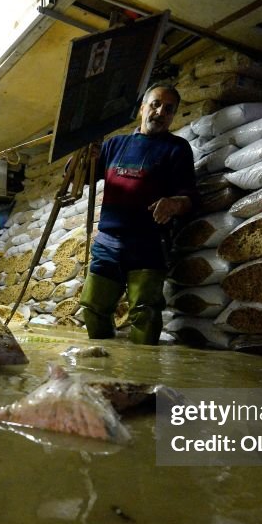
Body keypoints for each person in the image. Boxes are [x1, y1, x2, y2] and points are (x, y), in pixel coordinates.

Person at [79, 84, 196, 345]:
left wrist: (174, 204)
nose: (160, 112)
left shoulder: (177, 149)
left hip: (148, 245)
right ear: (142, 107)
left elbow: (189, 198)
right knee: (92, 307)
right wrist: (84, 157)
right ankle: (100, 369)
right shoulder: (115, 145)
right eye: (155, 104)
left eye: (168, 109)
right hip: (107, 243)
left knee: (145, 313)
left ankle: (142, 377)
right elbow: (82, 178)